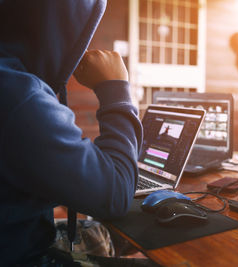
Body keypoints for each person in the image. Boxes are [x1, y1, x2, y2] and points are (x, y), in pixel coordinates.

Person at [0, 0, 145, 265]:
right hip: (24, 256)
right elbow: (117, 192)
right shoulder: (18, 95)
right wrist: (116, 88)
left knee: (102, 232)